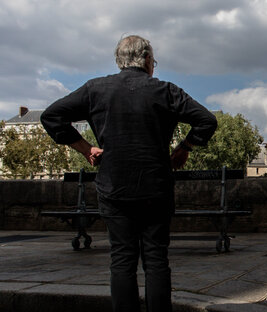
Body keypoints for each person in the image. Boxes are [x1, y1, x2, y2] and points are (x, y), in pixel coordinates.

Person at [40, 35, 217, 312]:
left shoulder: (95, 89)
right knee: (156, 259)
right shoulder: (166, 90)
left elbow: (51, 116)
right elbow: (206, 120)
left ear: (119, 61)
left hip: (114, 186)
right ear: (147, 60)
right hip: (155, 185)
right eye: (153, 62)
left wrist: (85, 148)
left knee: (122, 258)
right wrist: (185, 147)